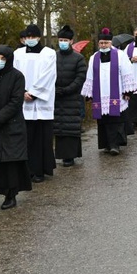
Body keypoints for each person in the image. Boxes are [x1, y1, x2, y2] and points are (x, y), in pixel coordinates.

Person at [0, 45, 32, 210]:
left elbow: (16, 101)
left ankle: (11, 194)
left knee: (11, 162)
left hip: (12, 125)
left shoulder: (17, 76)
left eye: (3, 58)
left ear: (9, 60)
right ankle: (1, 190)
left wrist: (0, 117)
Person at [81, 28, 137, 155]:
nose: (103, 45)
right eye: (101, 43)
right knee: (103, 121)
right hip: (100, 94)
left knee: (115, 120)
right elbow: (90, 75)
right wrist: (89, 94)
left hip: (117, 93)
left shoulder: (120, 55)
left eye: (106, 43)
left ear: (110, 43)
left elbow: (127, 72)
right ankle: (106, 144)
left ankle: (115, 144)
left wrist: (128, 92)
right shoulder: (94, 57)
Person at [13, 24, 57, 183]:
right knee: (27, 138)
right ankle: (27, 170)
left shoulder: (49, 54)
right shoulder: (17, 54)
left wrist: (35, 92)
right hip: (23, 100)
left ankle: (40, 169)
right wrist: (22, 91)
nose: (30, 40)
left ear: (39, 37)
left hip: (41, 102)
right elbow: (15, 74)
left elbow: (49, 75)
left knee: (41, 138)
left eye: (33, 37)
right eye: (28, 37)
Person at [53, 25, 87, 167]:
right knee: (59, 126)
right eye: (61, 39)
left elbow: (80, 78)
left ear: (71, 41)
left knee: (71, 127)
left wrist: (67, 90)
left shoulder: (78, 58)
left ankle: (70, 156)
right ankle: (60, 154)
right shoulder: (53, 56)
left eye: (65, 40)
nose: (63, 42)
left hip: (72, 97)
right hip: (55, 96)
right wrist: (53, 89)